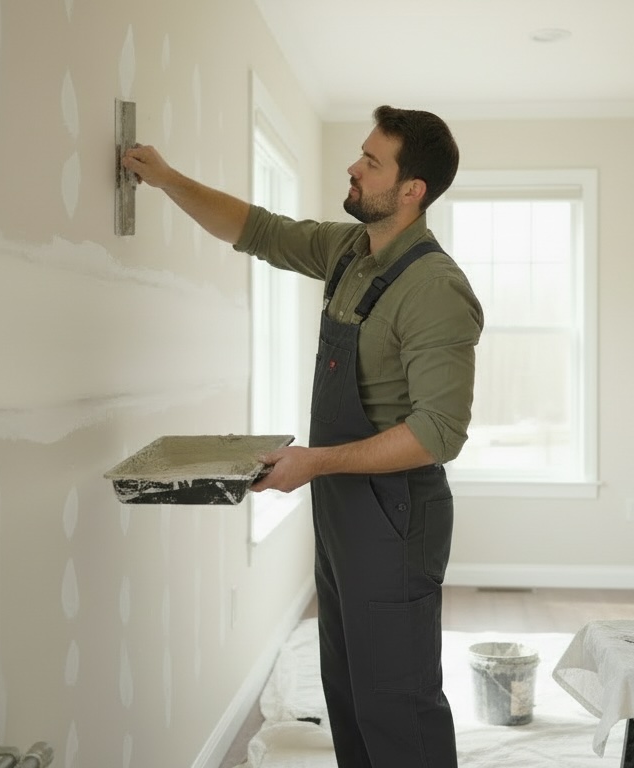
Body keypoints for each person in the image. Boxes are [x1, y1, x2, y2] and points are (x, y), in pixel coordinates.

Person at [123, 105, 483, 768]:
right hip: (346, 507)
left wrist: (316, 462)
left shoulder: (434, 287)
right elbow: (256, 230)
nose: (353, 165)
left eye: (372, 162)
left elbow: (437, 433)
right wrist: (168, 179)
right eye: (361, 153)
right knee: (347, 693)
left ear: (412, 191)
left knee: (397, 702)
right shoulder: (350, 253)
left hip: (398, 515)